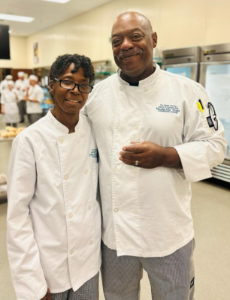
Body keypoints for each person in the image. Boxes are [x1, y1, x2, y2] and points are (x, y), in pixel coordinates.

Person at [84, 12, 227, 300]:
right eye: (116, 40)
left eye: (135, 36)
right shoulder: (97, 96)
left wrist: (168, 155)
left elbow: (216, 145)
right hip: (115, 237)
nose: (125, 45)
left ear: (154, 40)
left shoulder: (189, 92)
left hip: (168, 233)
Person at [7, 54, 101, 300]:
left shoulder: (93, 130)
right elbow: (17, 216)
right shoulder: (29, 140)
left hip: (88, 264)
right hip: (49, 268)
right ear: (51, 84)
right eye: (67, 82)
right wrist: (33, 285)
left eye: (83, 85)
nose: (75, 91)